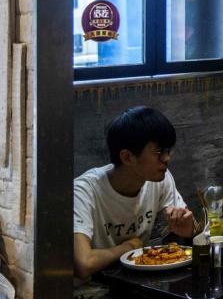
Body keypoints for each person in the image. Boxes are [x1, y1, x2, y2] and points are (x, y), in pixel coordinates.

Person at [73, 106, 195, 279]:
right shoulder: (84, 191)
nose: (167, 159)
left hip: (137, 283)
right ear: (127, 157)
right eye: (159, 152)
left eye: (168, 151)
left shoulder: (160, 177)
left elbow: (189, 232)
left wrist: (189, 230)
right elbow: (84, 264)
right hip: (92, 289)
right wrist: (128, 247)